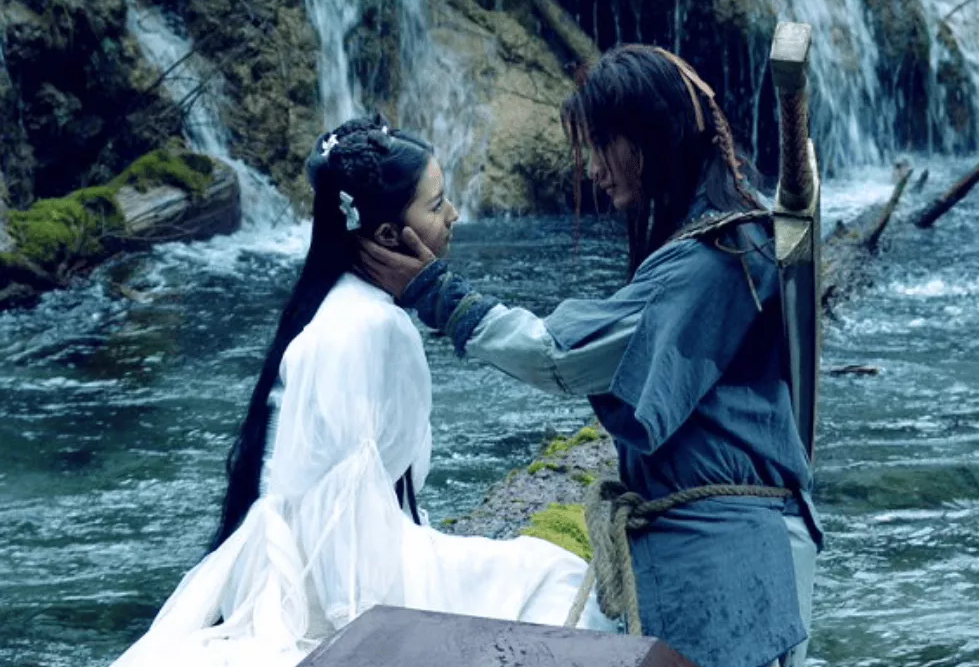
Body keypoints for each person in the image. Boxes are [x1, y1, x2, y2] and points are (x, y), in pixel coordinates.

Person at [359, 46, 823, 667]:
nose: (594, 169)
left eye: (603, 143)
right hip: (722, 546)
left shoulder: (714, 259)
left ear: (650, 138)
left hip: (728, 558)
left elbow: (560, 357)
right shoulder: (731, 235)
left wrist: (438, 294)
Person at [109, 116, 613, 667]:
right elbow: (343, 523)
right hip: (346, 577)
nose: (454, 215)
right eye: (437, 204)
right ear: (389, 236)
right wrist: (370, 636)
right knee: (554, 579)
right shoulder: (373, 326)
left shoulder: (325, 303)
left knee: (542, 570)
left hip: (299, 559)